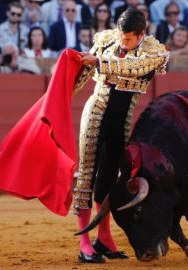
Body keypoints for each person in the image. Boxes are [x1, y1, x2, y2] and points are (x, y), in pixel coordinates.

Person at [73, 8, 169, 263]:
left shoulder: (154, 51)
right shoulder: (105, 40)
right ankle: (84, 245)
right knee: (86, 177)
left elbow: (136, 66)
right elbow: (81, 75)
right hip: (96, 114)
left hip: (122, 122)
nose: (123, 42)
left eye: (128, 39)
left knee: (108, 179)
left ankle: (103, 238)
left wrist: (101, 63)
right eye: (121, 36)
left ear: (141, 35)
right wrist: (58, 96)